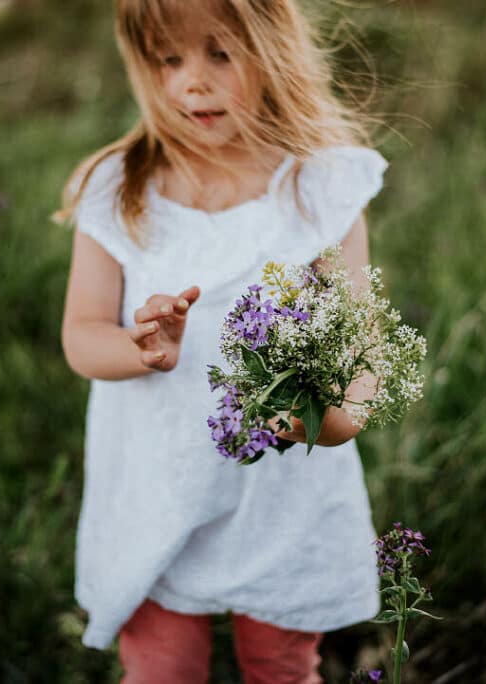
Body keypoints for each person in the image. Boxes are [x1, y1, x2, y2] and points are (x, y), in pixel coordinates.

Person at [56, 1, 389, 682]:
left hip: (277, 501)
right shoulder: (120, 189)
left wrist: (332, 418)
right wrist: (140, 348)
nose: (191, 83)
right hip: (157, 486)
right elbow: (81, 338)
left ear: (272, 49)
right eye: (168, 59)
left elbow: (360, 345)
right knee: (161, 668)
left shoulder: (317, 188)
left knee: (279, 665)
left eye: (218, 53)